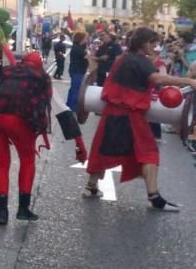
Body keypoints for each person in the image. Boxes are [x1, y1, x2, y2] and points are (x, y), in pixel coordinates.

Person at [84, 26, 195, 212]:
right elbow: (158, 80)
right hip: (130, 114)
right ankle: (155, 198)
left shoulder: (123, 58)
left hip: (113, 113)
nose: (155, 46)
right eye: (152, 43)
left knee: (104, 149)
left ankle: (91, 186)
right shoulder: (140, 61)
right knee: (148, 152)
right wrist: (189, 82)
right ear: (142, 43)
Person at [0, 51, 52, 224]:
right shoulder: (41, 76)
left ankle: (2, 213)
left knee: (2, 163)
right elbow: (44, 101)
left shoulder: (5, 71)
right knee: (27, 160)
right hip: (19, 119)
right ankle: (23, 209)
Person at [66, 29, 89, 111]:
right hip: (77, 71)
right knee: (76, 89)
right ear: (81, 39)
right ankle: (73, 106)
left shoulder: (79, 47)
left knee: (73, 88)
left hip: (77, 70)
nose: (86, 40)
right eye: (85, 38)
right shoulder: (78, 48)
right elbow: (86, 56)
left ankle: (69, 104)